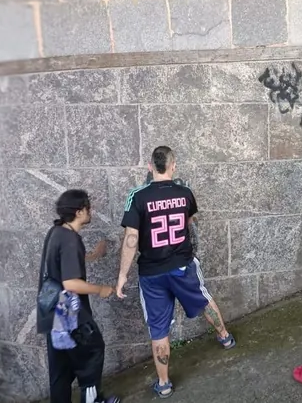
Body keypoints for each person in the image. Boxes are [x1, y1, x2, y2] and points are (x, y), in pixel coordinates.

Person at [116, 146, 236, 399]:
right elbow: (187, 222)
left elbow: (131, 238)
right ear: (173, 166)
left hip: (152, 273)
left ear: (150, 167)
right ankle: (225, 337)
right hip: (183, 266)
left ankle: (164, 383)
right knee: (203, 299)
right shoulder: (185, 193)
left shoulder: (137, 197)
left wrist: (122, 276)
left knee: (158, 328)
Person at [36, 189, 121, 403]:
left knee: (61, 371)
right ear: (79, 211)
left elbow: (64, 261)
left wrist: (93, 255)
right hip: (68, 315)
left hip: (50, 312)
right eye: (88, 208)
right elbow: (70, 283)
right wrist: (100, 289)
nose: (90, 211)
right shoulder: (71, 240)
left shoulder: (56, 232)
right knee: (92, 352)